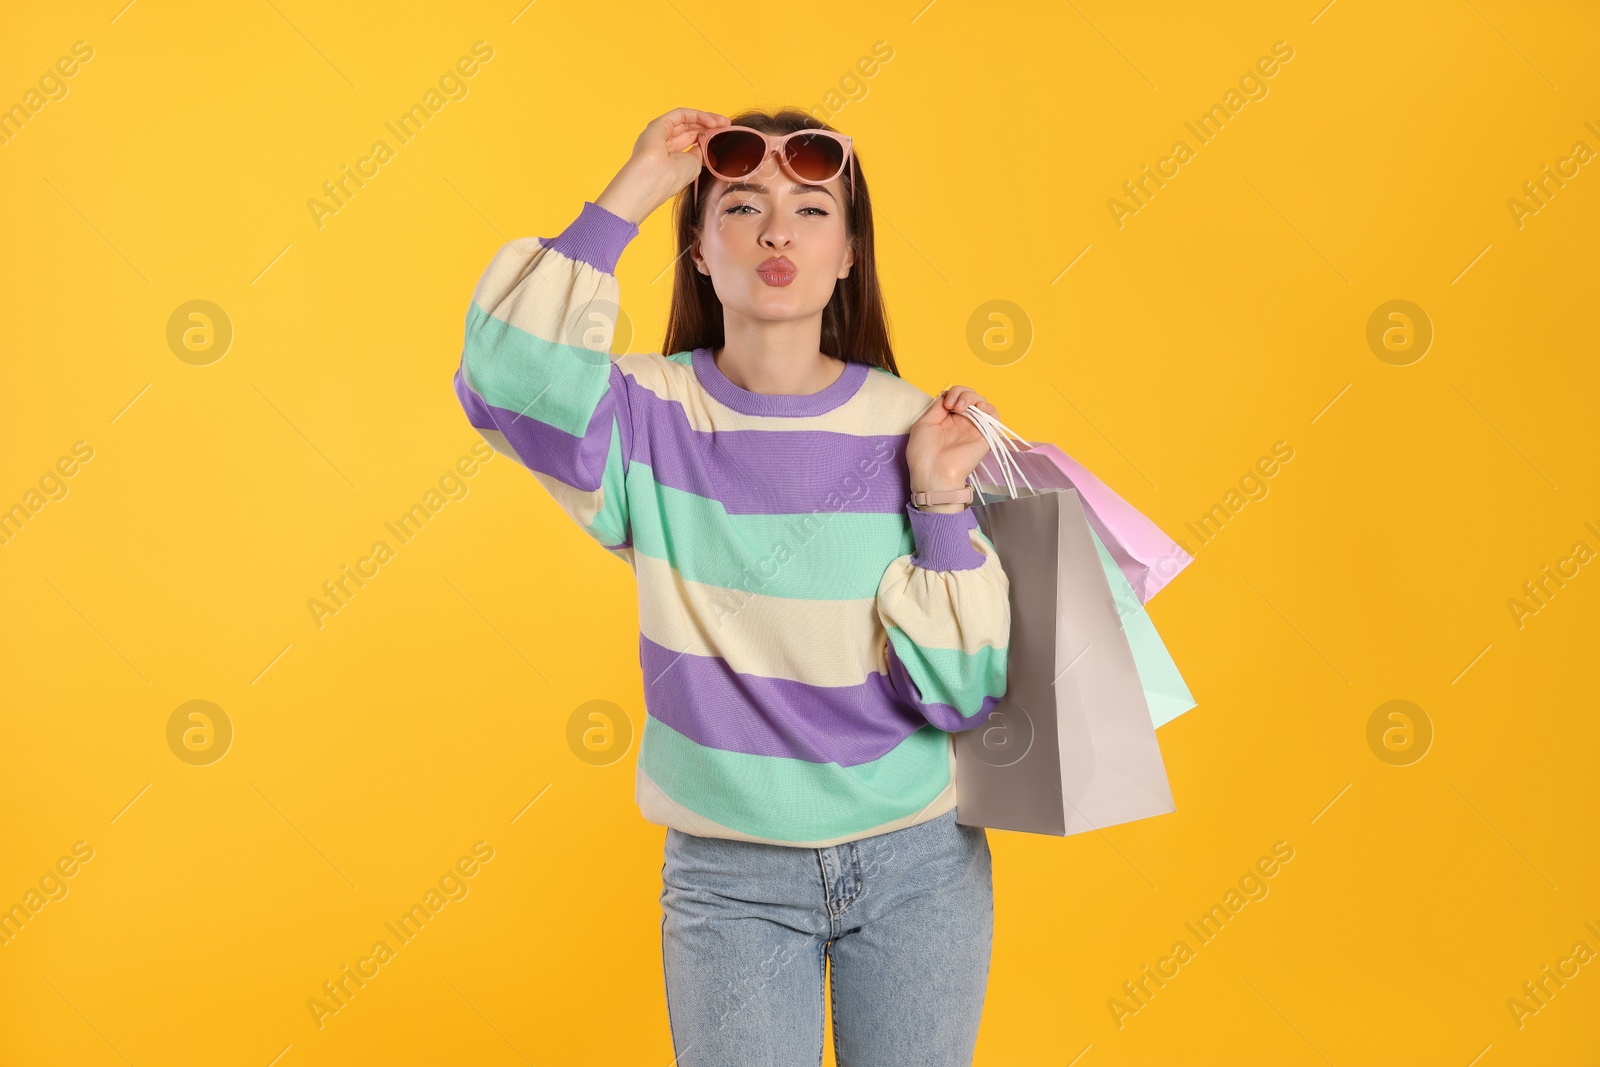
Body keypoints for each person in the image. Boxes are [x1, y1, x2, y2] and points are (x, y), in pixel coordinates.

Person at [451, 106, 1011, 1066]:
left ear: (849, 254)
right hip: (728, 880)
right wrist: (634, 186)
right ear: (701, 251)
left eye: (811, 210)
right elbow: (501, 375)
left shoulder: (916, 425)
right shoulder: (642, 416)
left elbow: (964, 693)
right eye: (742, 207)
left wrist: (940, 494)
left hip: (919, 865)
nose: (778, 233)